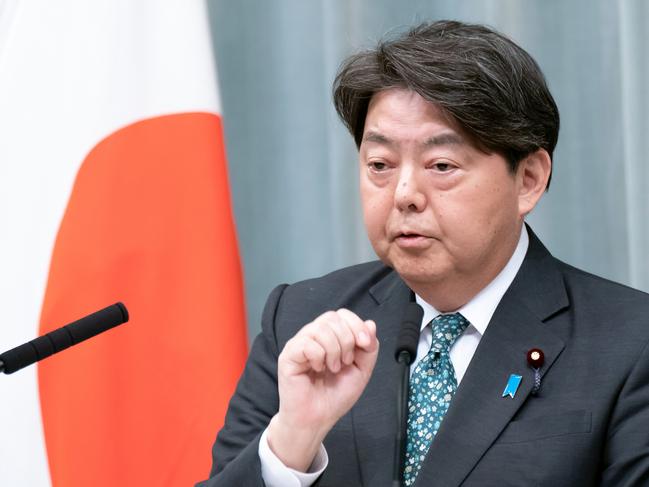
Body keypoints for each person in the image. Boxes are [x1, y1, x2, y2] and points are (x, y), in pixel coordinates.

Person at [197, 20, 649, 486]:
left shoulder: (630, 344)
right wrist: (293, 441)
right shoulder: (302, 320)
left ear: (529, 179)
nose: (404, 194)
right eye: (380, 165)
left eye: (441, 166)